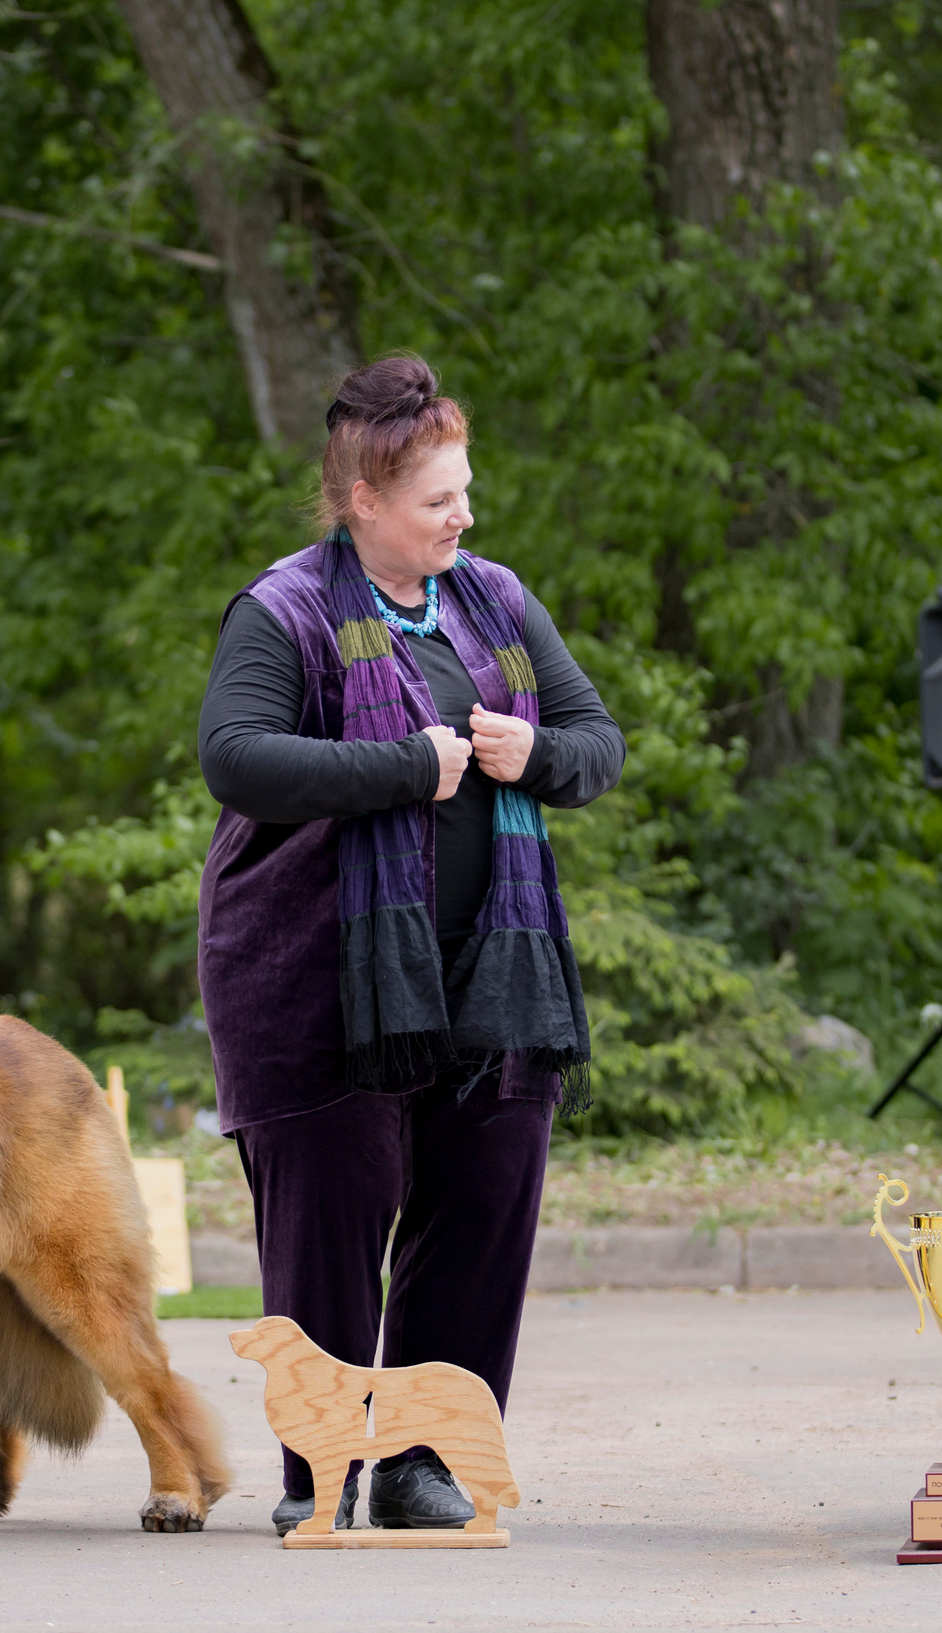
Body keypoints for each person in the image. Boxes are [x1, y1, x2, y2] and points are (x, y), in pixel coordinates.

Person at [197, 354, 625, 1536]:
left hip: (490, 975)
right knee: (333, 1226)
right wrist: (406, 768)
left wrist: (529, 754)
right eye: (440, 499)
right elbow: (235, 756)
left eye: (465, 491)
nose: (464, 515)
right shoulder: (283, 608)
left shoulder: (492, 599)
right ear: (362, 502)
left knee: (481, 1204)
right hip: (310, 978)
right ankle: (322, 1475)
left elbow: (595, 740)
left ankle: (423, 1459)